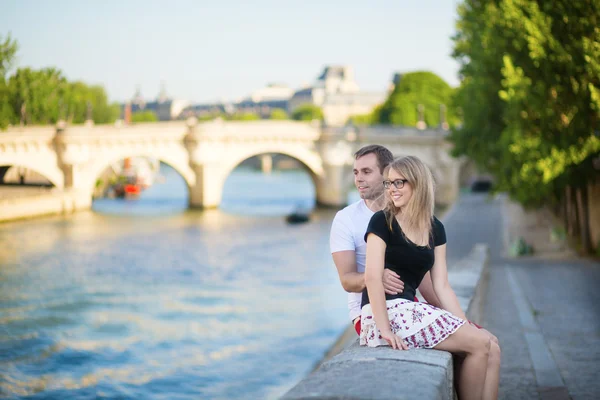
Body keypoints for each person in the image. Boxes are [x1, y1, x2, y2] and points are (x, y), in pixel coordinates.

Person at [360, 155, 500, 400]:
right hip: (386, 311)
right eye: (388, 183)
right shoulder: (382, 221)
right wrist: (385, 331)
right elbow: (372, 278)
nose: (391, 189)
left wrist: (464, 324)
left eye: (398, 183)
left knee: (492, 345)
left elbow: (442, 286)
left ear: (418, 183)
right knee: (479, 344)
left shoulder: (436, 228)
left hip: (410, 309)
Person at [330, 145, 443, 336]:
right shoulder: (345, 219)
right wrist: (375, 276)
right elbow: (347, 280)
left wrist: (451, 316)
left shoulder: (407, 214)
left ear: (387, 174)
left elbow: (423, 279)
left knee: (476, 342)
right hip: (367, 312)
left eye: (366, 172)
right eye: (356, 172)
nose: (358, 179)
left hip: (406, 303)